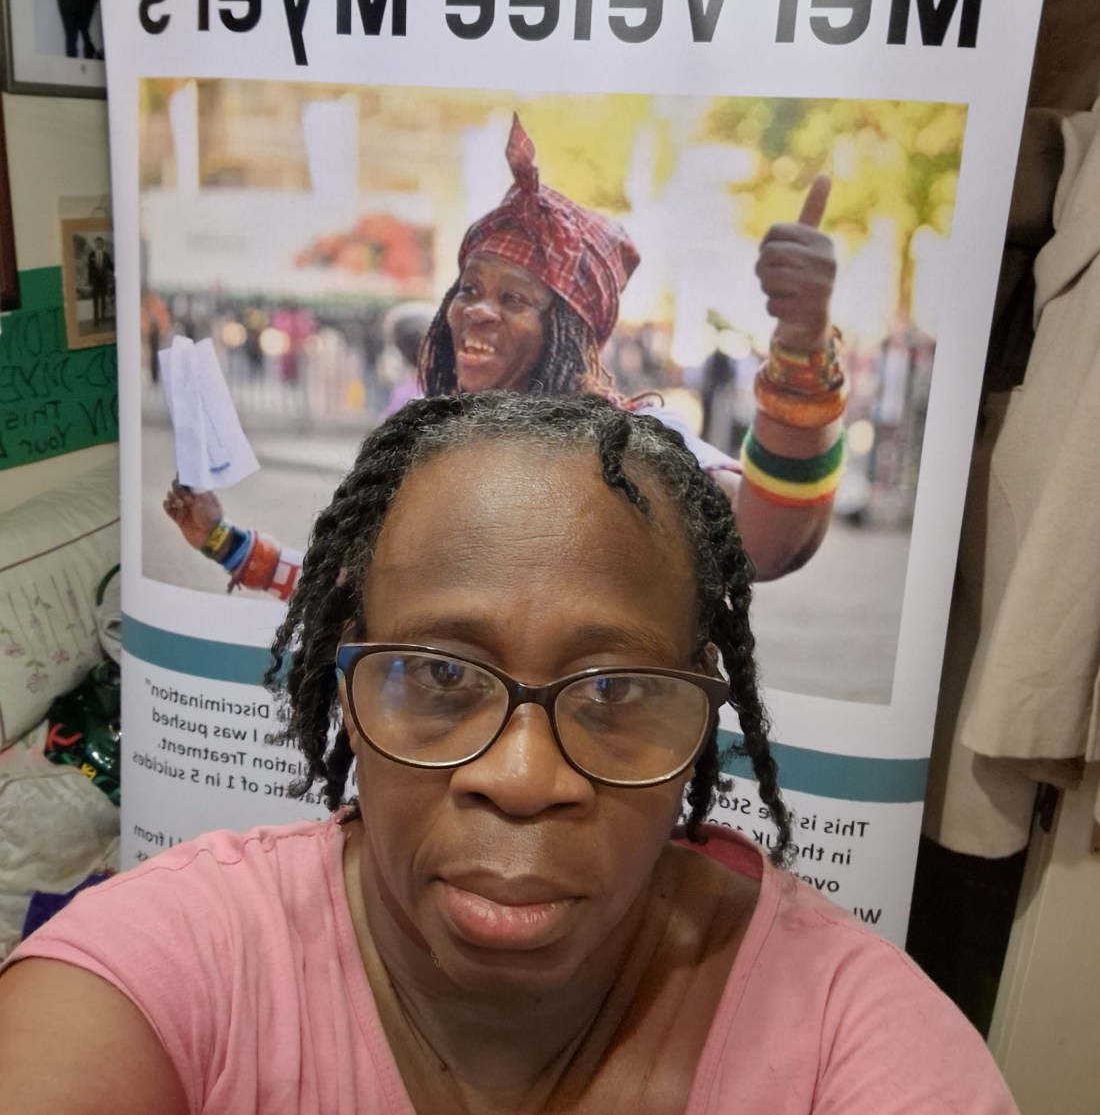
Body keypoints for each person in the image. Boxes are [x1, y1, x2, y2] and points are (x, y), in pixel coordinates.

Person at [1, 393, 1016, 1113]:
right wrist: (221, 538)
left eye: (614, 688)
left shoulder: (852, 1038)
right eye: (440, 673)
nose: (524, 780)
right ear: (348, 688)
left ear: (700, 708)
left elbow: (778, 522)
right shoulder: (164, 968)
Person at [164, 113, 844, 593]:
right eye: (469, 288)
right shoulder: (430, 446)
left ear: (568, 333)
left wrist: (802, 350)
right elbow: (348, 591)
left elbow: (764, 544)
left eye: (516, 298)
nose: (480, 310)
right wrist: (224, 542)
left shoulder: (630, 448)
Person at [86, 236, 114, 328]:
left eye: (100, 243)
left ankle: (103, 317)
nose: (99, 245)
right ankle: (96, 319)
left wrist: (117, 272)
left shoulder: (106, 255)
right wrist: (90, 282)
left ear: (102, 244)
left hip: (103, 281)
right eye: (97, 243)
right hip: (95, 282)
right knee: (95, 300)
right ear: (95, 244)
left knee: (103, 300)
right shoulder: (91, 255)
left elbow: (110, 266)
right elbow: (89, 269)